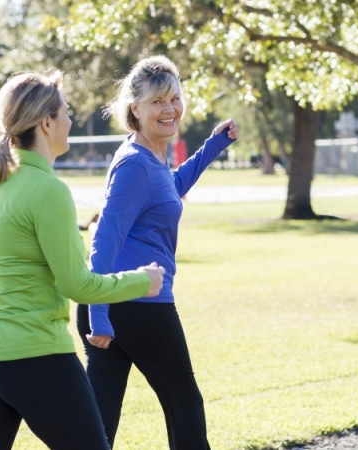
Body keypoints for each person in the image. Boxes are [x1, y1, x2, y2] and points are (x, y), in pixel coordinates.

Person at [0, 70, 166, 450]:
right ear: (46, 122)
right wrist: (142, 281)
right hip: (35, 360)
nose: (71, 121)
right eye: (66, 113)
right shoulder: (50, 192)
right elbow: (78, 285)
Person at [76, 55, 239, 449]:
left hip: (115, 303)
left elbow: (169, 186)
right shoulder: (136, 164)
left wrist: (215, 145)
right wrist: (99, 316)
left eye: (174, 98)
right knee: (184, 404)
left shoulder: (146, 156)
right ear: (135, 109)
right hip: (136, 302)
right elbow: (105, 236)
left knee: (98, 426)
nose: (169, 109)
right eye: (157, 102)